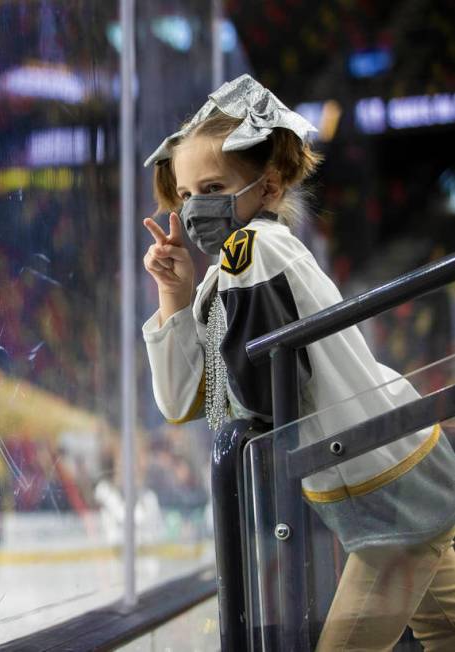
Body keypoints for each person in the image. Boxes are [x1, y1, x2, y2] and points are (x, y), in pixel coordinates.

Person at [141, 74, 455, 650]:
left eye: (211, 186)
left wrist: (205, 325)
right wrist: (176, 299)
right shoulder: (231, 270)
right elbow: (183, 401)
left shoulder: (255, 252)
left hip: (387, 491)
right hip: (400, 471)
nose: (193, 208)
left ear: (270, 184)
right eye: (184, 195)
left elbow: (252, 398)